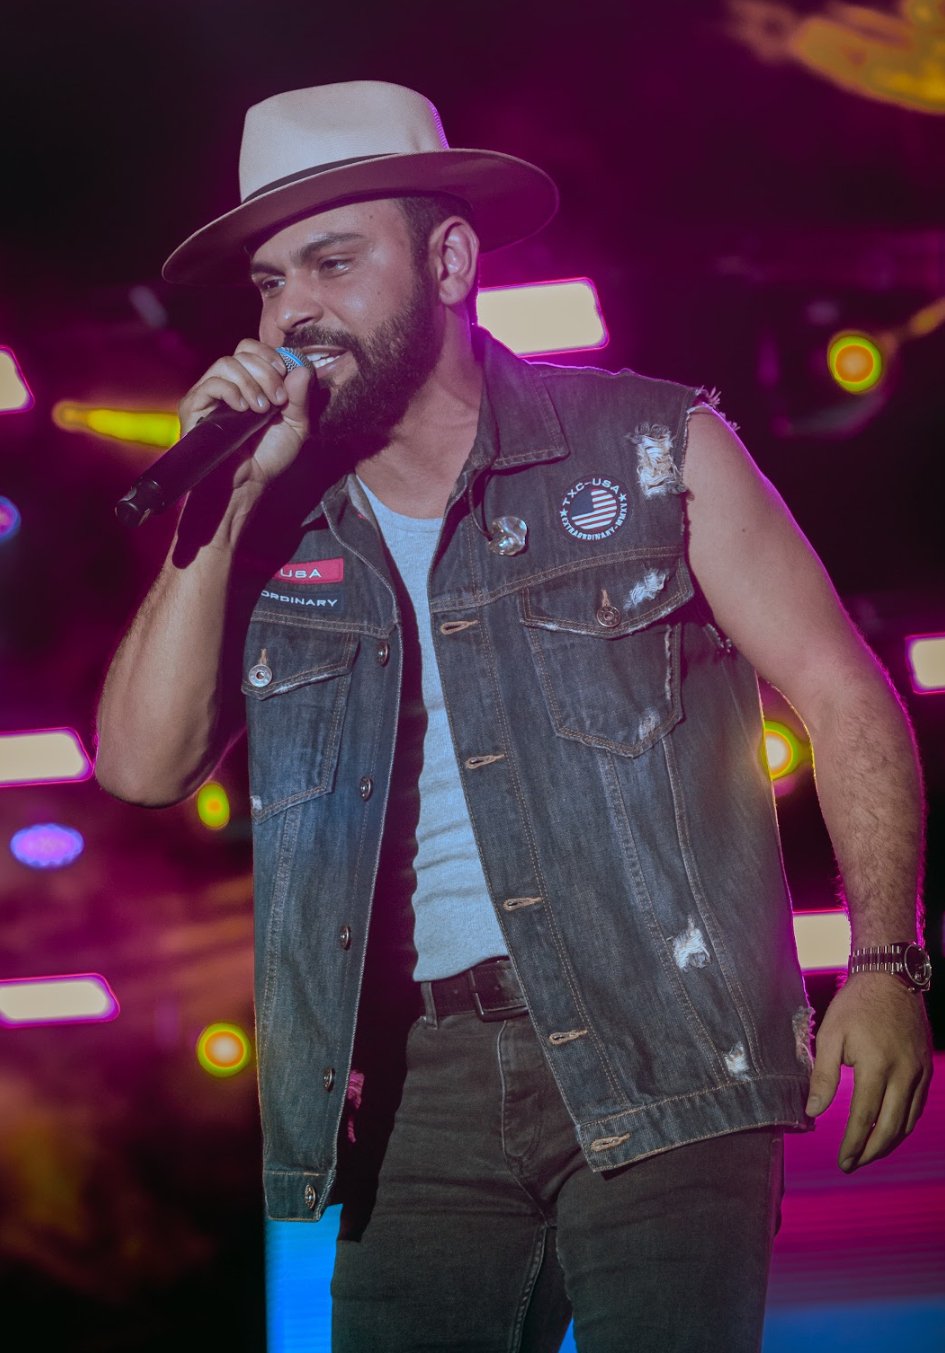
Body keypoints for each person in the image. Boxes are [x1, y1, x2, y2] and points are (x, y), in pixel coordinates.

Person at [95, 81, 932, 1351]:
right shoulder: (271, 530)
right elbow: (142, 769)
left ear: (449, 261)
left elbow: (841, 690)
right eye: (270, 282)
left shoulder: (648, 445)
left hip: (666, 1041)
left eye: (332, 262)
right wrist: (222, 509)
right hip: (415, 1089)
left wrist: (885, 965)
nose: (292, 312)